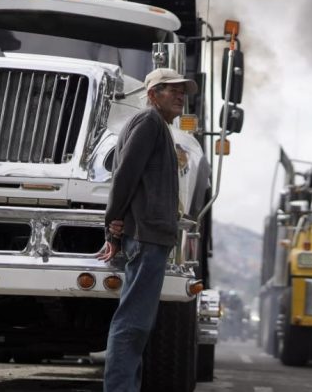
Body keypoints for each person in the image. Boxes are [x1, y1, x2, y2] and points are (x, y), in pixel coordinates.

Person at [98, 68, 197, 392]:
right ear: (153, 94)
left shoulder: (157, 126)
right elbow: (124, 175)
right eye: (172, 89)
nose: (181, 95)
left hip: (150, 236)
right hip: (146, 237)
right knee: (133, 324)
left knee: (137, 324)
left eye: (183, 90)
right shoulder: (148, 122)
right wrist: (112, 225)